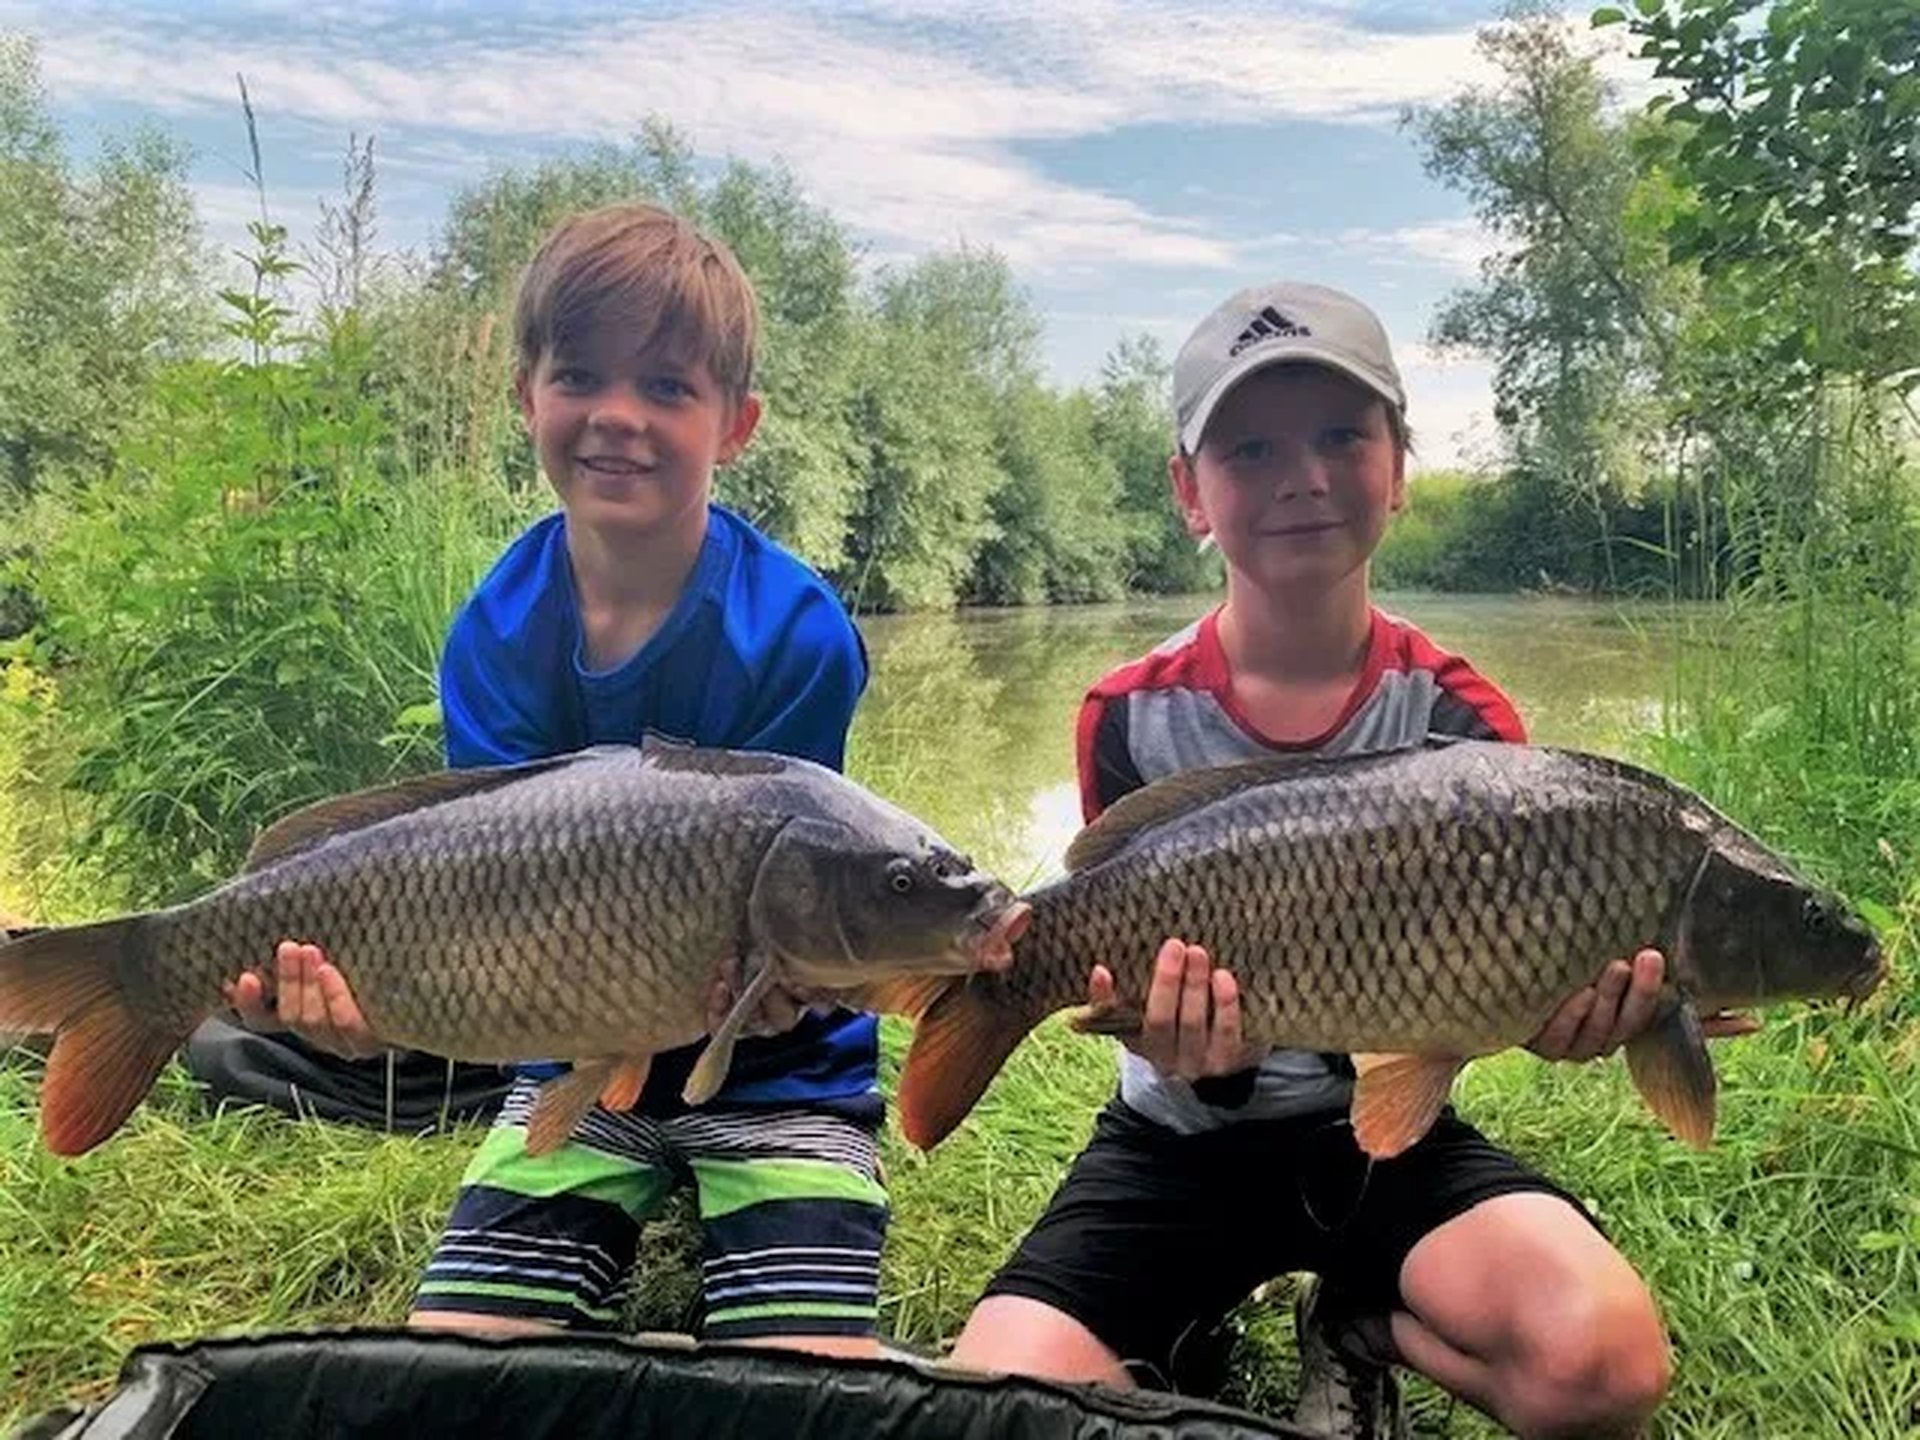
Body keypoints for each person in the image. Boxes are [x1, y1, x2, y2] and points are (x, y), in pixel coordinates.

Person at [948, 282, 1753, 1438]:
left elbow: (1481, 986)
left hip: (1389, 1140)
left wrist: (1559, 1019)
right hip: (1176, 1143)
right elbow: (1136, 964)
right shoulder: (1127, 714)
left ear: (1398, 464)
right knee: (997, 1404)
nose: (1304, 475)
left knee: (1607, 1366)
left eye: (1342, 436)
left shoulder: (1465, 717)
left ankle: (1362, 1319)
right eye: (1253, 446)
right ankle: (1173, 1329)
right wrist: (1202, 1061)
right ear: (1190, 490)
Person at [227, 203, 893, 1356]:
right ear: (525, 395)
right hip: (571, 1070)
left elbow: (805, 897)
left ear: (737, 425)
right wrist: (371, 1015)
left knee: (807, 1381)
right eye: (581, 374)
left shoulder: (797, 631)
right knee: (461, 1355)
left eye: (669, 388)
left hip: (785, 1073)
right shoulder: (494, 631)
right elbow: (474, 896)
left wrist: (774, 987)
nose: (620, 418)